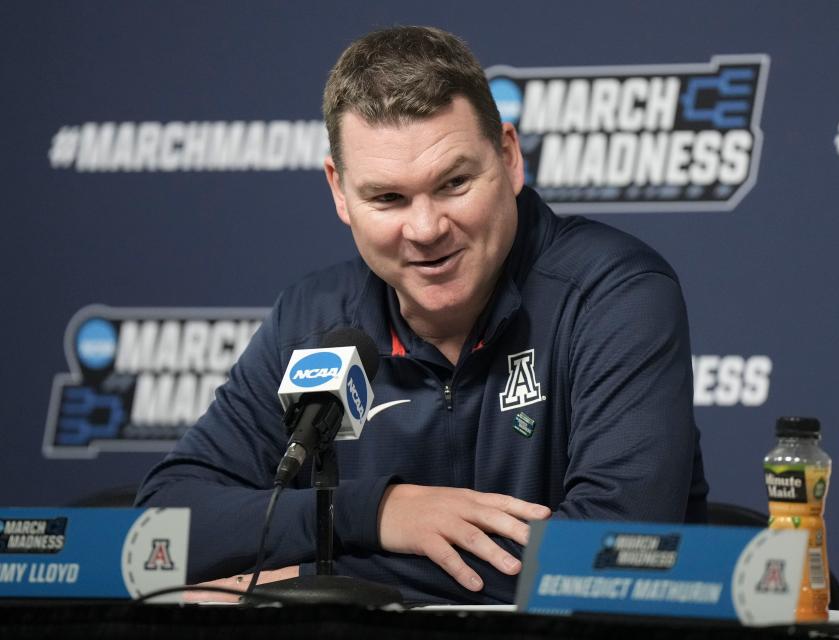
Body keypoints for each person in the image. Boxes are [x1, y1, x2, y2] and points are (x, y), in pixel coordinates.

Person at [135, 25, 708, 604]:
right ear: (340, 192)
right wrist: (376, 511)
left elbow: (610, 554)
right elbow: (158, 528)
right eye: (388, 198)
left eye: (454, 183)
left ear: (508, 159)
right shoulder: (311, 321)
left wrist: (307, 582)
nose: (427, 229)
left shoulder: (614, 294)